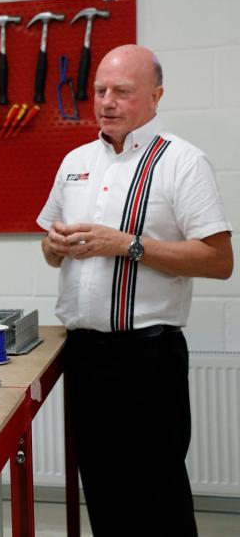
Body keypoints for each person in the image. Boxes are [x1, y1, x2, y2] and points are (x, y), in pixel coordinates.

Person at [37, 44, 233, 536]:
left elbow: (219, 260)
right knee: (103, 496)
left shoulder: (182, 162)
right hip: (83, 354)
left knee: (157, 499)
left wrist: (128, 245)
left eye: (122, 92)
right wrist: (55, 244)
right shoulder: (75, 160)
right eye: (100, 90)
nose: (106, 101)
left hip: (148, 356)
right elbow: (48, 251)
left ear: (155, 96)